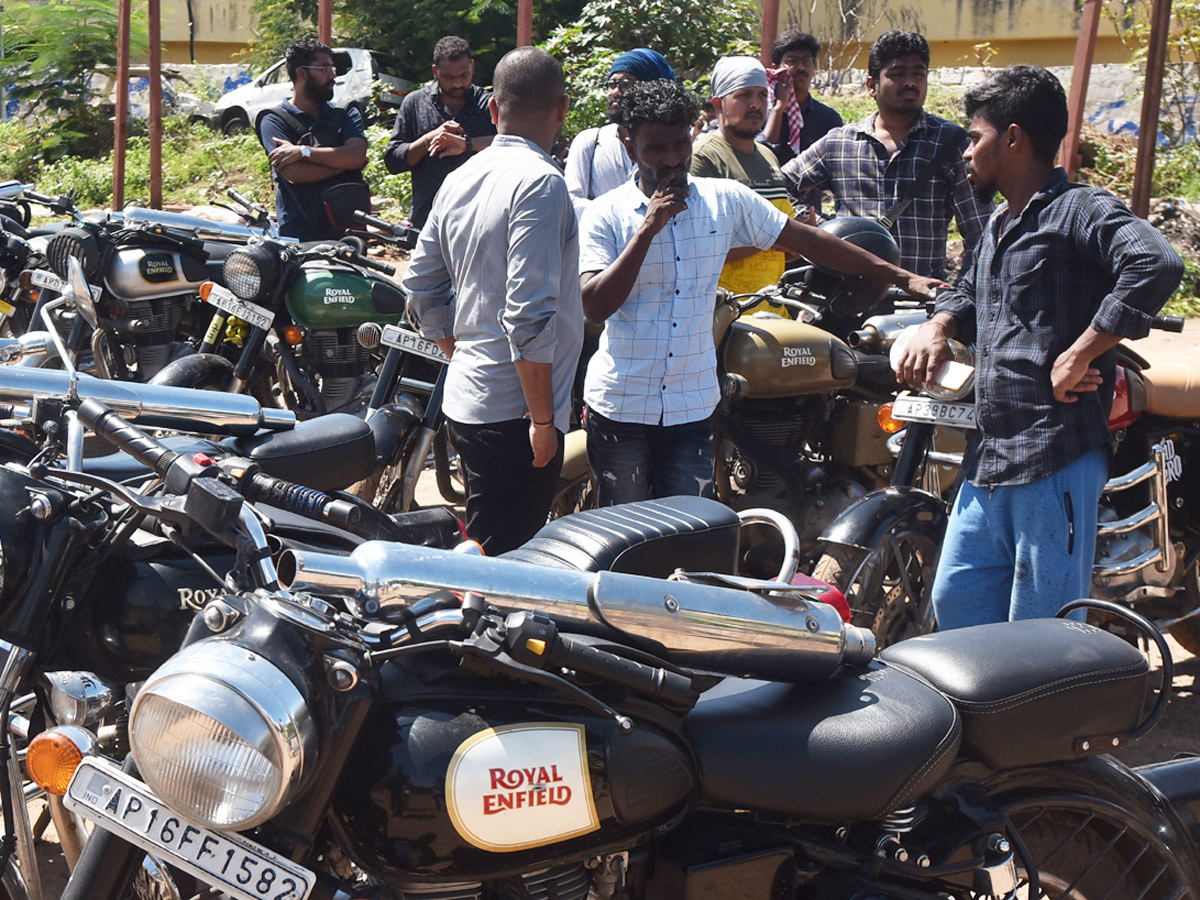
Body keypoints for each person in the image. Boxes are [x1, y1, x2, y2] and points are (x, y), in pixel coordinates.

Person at [894, 65, 1184, 629]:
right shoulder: (1000, 223)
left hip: (1056, 454)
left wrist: (1082, 351)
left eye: (974, 137)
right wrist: (939, 326)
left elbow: (1156, 262)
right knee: (956, 611)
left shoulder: (1081, 208)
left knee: (1041, 634)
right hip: (990, 454)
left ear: (1013, 137)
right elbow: (965, 291)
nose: (966, 153)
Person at [579, 80, 943, 507]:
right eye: (656, 149)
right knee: (623, 538)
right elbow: (596, 304)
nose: (673, 160)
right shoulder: (605, 214)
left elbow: (807, 240)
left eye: (681, 144)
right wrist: (647, 230)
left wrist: (900, 276)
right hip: (622, 408)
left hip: (691, 409)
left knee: (684, 538)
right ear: (627, 141)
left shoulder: (725, 200)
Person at [402, 47, 583, 555]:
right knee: (503, 570)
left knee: (484, 546)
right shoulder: (542, 183)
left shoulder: (461, 177)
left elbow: (420, 282)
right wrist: (543, 422)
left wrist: (459, 352)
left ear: (494, 111)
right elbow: (528, 316)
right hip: (515, 415)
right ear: (562, 109)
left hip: (466, 397)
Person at [781, 30, 993, 280]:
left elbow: (981, 233)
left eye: (918, 74)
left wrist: (957, 296)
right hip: (846, 299)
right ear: (872, 85)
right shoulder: (840, 142)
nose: (910, 82)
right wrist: (818, 225)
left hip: (919, 303)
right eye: (897, 74)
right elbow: (782, 184)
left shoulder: (952, 143)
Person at [690, 57, 794, 297]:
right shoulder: (704, 156)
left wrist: (794, 240)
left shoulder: (768, 156)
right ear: (718, 104)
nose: (756, 104)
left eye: (761, 95)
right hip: (724, 315)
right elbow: (692, 249)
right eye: (744, 95)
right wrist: (769, 240)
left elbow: (783, 244)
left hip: (771, 307)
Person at [258, 37, 369, 242]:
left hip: (350, 230)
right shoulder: (273, 120)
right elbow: (295, 173)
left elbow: (355, 155)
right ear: (301, 73)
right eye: (324, 69)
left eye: (332, 68)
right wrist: (347, 164)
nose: (333, 75)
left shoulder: (345, 112)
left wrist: (302, 152)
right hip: (300, 234)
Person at [384, 36, 496, 229]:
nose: (458, 84)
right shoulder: (415, 103)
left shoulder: (489, 104)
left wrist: (467, 144)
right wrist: (428, 139)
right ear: (435, 71)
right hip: (426, 219)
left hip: (478, 219)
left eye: (464, 75)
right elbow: (394, 161)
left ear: (472, 66)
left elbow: (511, 144)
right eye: (449, 78)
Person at [564, 48, 675, 218]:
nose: (615, 93)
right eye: (611, 84)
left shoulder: (673, 147)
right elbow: (571, 202)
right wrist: (622, 218)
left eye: (625, 84)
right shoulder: (591, 143)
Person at [759, 30, 843, 168]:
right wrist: (778, 109)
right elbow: (759, 156)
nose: (801, 67)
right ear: (775, 69)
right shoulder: (760, 112)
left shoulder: (827, 118)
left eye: (806, 60)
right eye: (792, 61)